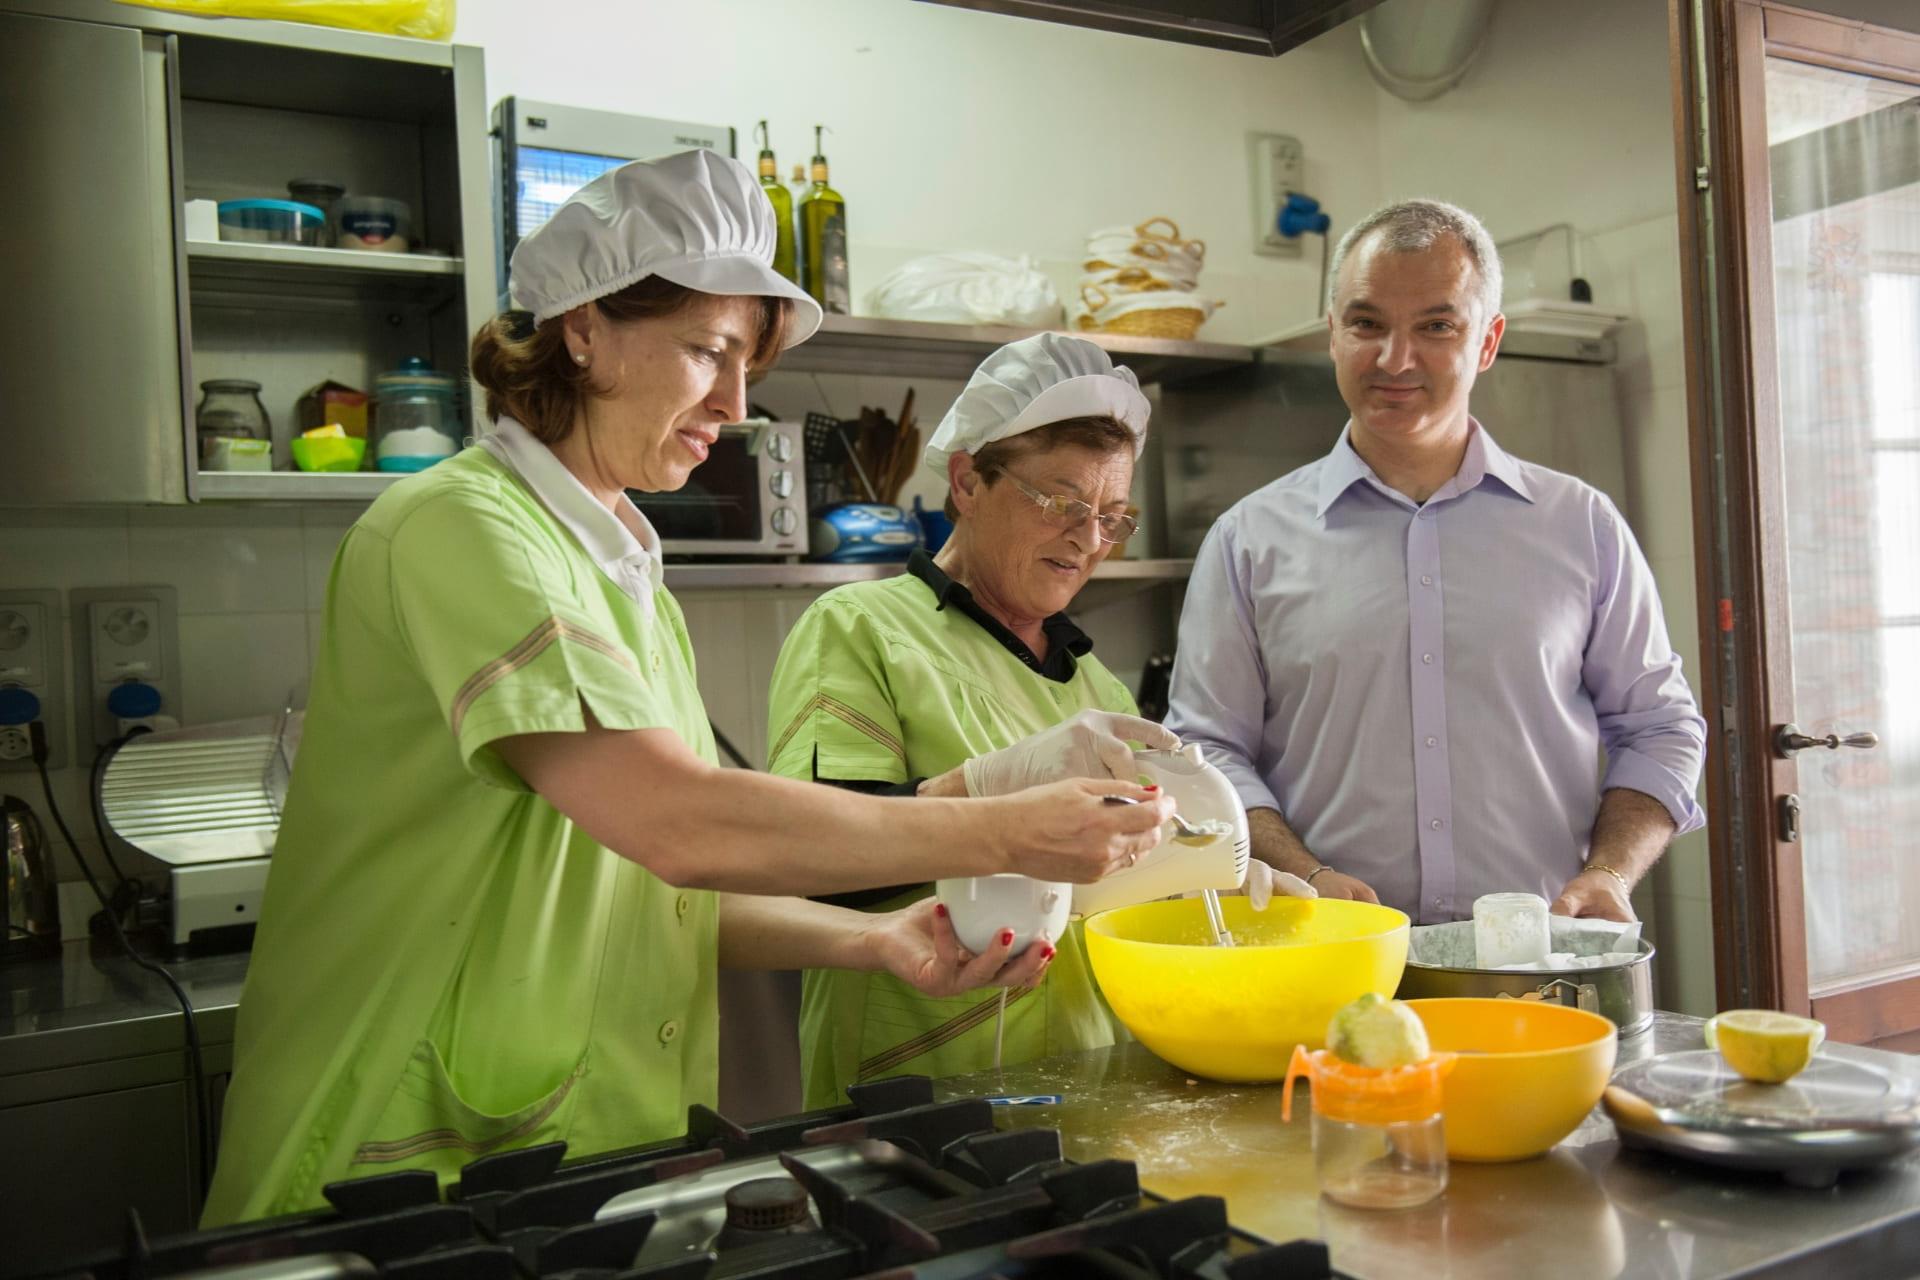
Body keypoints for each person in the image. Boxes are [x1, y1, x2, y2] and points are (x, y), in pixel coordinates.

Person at [202, 153, 1173, 1226]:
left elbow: (657, 891)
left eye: (747, 363)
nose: (737, 402)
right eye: (709, 350)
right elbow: (679, 823)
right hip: (393, 1142)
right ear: (584, 327)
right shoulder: (462, 526)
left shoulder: (624, 575)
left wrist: (872, 939)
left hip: (574, 1142)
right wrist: (1005, 826)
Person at [766, 334, 1303, 1108]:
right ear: (967, 482)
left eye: (1111, 517)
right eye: (1063, 504)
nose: (1088, 539)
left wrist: (1200, 878)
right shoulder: (859, 630)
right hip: (916, 1094)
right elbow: (808, 866)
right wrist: (985, 790)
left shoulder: (1098, 689)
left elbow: (1110, 895)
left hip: (1092, 1084)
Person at [1167, 198, 1706, 926]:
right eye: (1367, 324)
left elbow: (1659, 728)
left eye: (1436, 326)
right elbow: (1205, 751)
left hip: (1536, 956)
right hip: (1330, 955)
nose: (1395, 359)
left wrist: (1610, 872)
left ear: (1487, 342)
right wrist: (1304, 873)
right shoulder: (1247, 540)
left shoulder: (1582, 524)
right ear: (1333, 333)